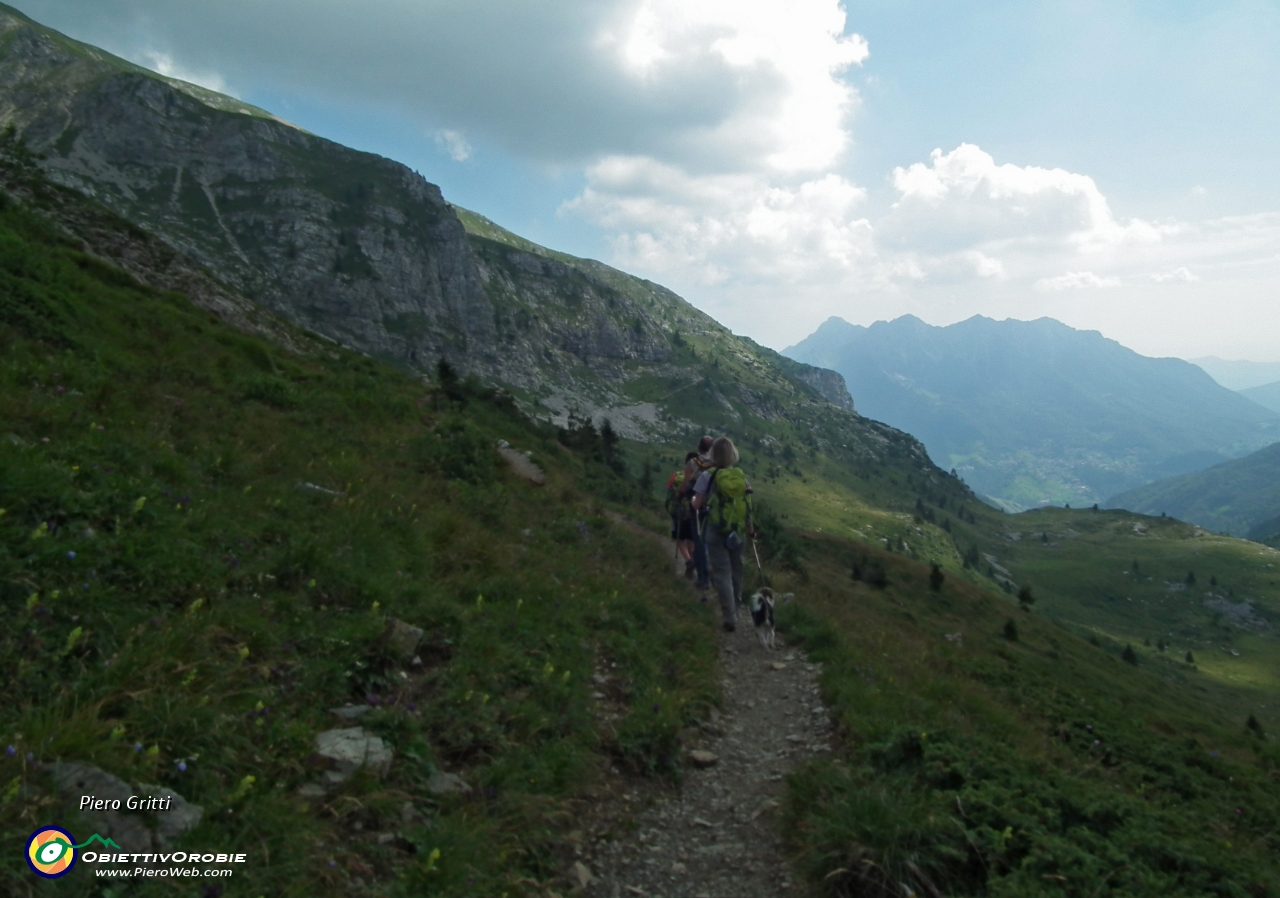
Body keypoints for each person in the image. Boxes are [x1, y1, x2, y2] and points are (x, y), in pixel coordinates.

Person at [692, 437, 753, 632]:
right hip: (738, 530)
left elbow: (697, 505)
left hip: (716, 530)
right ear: (732, 454)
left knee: (722, 572)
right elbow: (747, 505)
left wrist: (694, 500)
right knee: (737, 570)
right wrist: (750, 528)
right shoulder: (741, 477)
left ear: (714, 454)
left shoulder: (707, 476)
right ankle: (737, 605)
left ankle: (730, 617)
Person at [681, 436, 715, 591]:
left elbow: (685, 485)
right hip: (713, 507)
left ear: (699, 446)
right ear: (711, 449)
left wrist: (680, 495)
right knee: (708, 540)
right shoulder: (716, 464)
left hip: (696, 507)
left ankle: (703, 578)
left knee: (699, 541)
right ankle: (712, 574)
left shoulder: (692, 463)